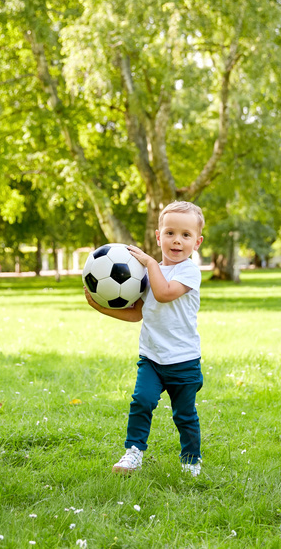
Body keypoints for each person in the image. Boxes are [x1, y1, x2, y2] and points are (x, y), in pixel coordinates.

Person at [85, 201, 206, 477]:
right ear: (158, 235)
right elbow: (137, 313)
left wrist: (150, 261)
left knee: (184, 416)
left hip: (184, 361)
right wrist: (100, 307)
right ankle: (133, 453)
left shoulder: (189, 272)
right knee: (141, 401)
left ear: (197, 242)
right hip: (152, 358)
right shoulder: (144, 275)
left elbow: (163, 293)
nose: (177, 241)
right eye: (170, 233)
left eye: (185, 235)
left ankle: (191, 461)